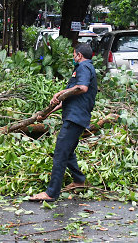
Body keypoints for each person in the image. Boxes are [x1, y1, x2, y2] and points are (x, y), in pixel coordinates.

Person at [29, 43, 97, 202]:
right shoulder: (83, 69)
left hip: (75, 118)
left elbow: (82, 88)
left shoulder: (83, 67)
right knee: (68, 151)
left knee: (60, 152)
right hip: (75, 116)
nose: (74, 57)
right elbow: (67, 99)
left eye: (74, 55)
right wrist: (46, 113)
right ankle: (79, 180)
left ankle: (51, 193)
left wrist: (60, 92)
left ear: (79, 55)